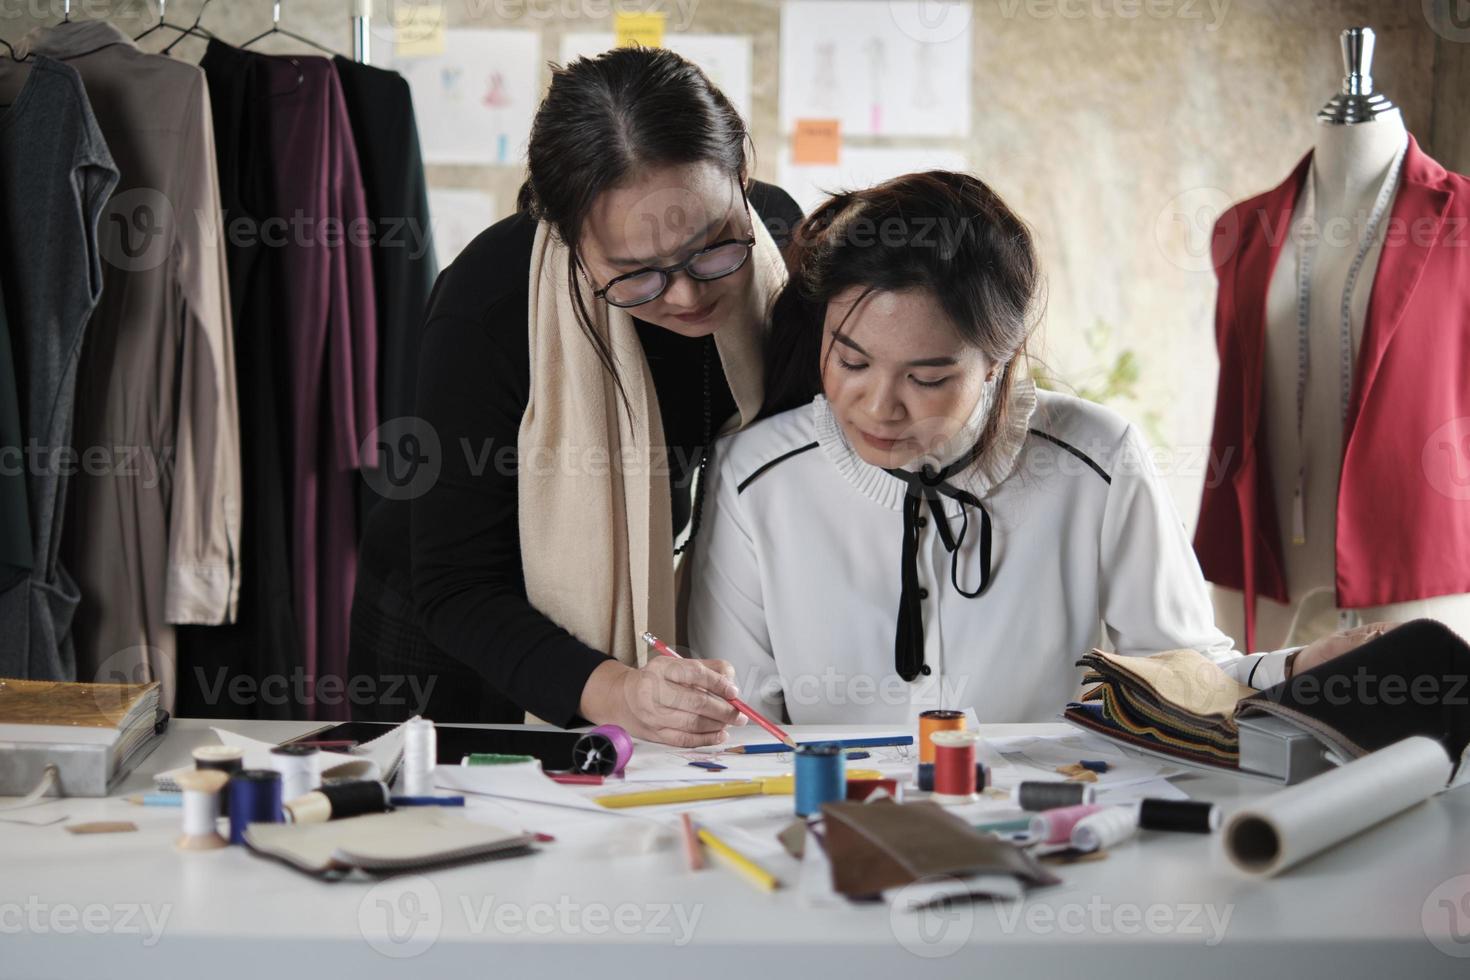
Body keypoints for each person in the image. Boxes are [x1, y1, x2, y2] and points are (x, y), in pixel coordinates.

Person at [687, 171, 1391, 725]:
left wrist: (1298, 671)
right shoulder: (756, 476)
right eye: (850, 361)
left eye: (927, 378)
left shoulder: (1096, 459)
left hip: (1043, 838)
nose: (877, 405)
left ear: (996, 361)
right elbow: (742, 721)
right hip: (823, 837)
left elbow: (1182, 673)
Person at [349, 48, 801, 746]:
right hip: (459, 636)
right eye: (635, 275)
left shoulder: (777, 239)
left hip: (657, 609)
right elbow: (458, 587)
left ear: (741, 172)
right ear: (566, 237)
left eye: (713, 246)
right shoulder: (490, 307)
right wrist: (622, 692)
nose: (687, 295)